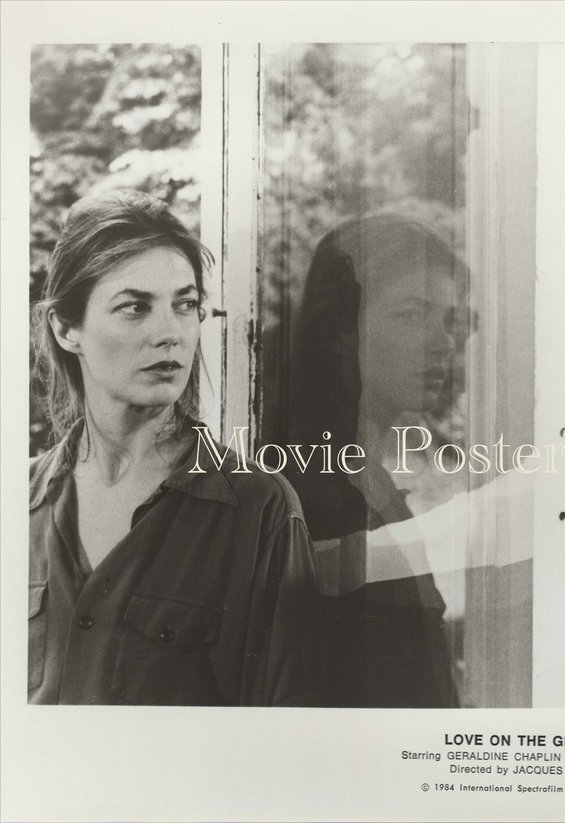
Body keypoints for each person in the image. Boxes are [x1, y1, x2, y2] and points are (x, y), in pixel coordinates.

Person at [29, 189, 324, 705]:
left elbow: (284, 730)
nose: (171, 334)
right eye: (134, 307)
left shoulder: (259, 510)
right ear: (66, 328)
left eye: (185, 305)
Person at [285, 215, 471, 707]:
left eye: (448, 321)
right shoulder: (313, 496)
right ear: (340, 329)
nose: (443, 342)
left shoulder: (370, 481)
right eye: (412, 315)